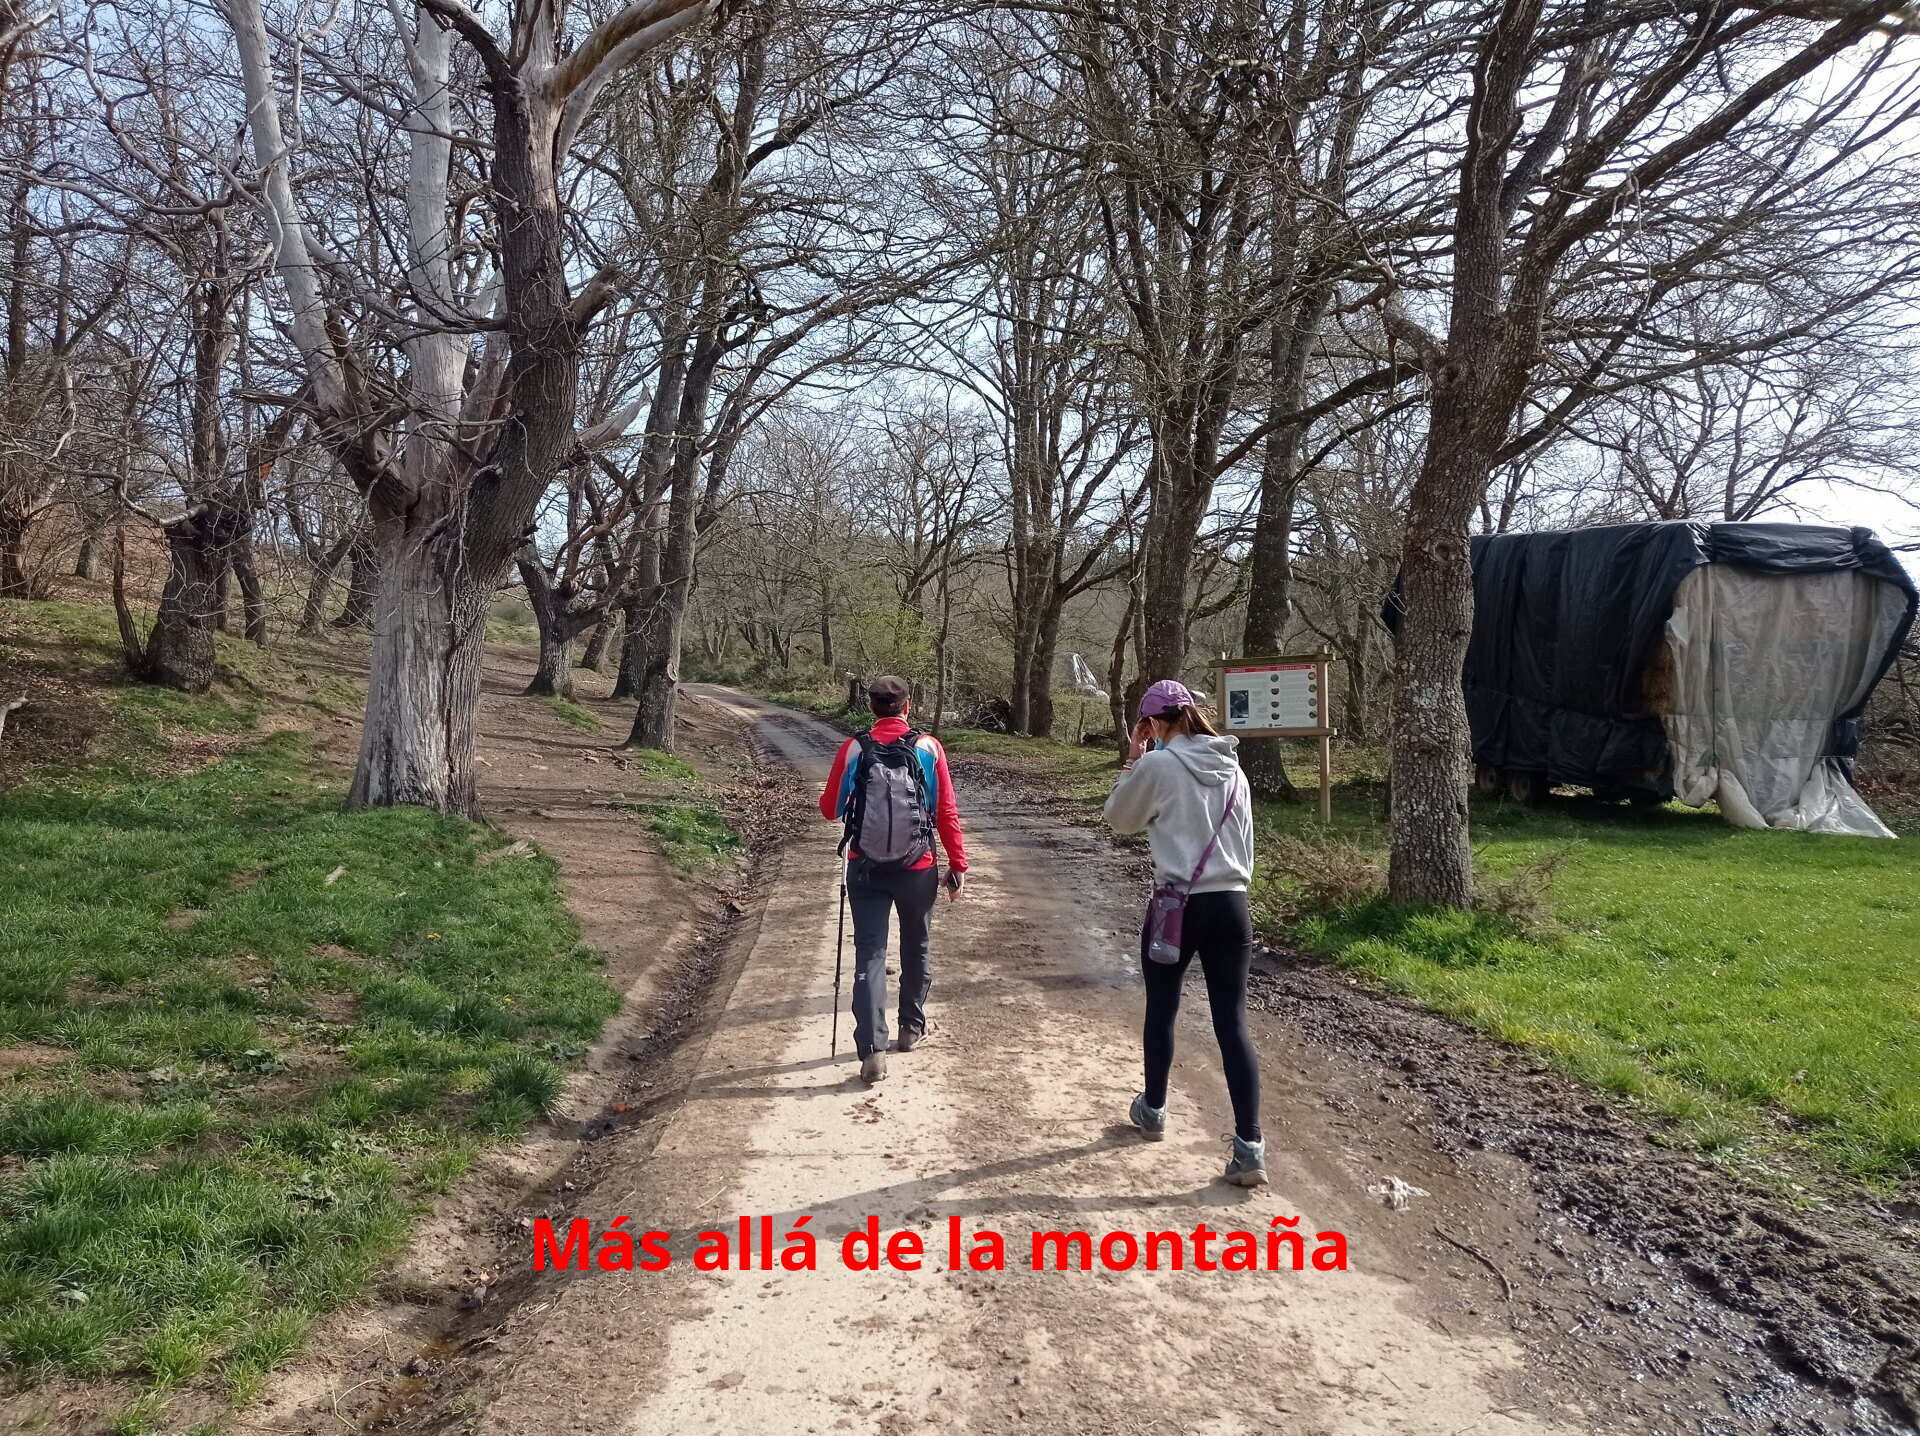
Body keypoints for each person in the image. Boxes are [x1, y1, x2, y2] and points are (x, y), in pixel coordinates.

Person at [1103, 678, 1266, 1186]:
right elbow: (1246, 842)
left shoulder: (1158, 765)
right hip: (1232, 904)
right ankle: (1250, 1147)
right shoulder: (1233, 768)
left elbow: (1119, 818)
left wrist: (1133, 760)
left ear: (1153, 724)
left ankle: (1153, 1109)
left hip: (1177, 905)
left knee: (1163, 1008)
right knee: (1232, 1023)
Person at [820, 676, 968, 1084]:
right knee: (916, 945)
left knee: (870, 954)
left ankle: (872, 1051)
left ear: (871, 707)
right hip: (917, 866)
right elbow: (946, 811)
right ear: (907, 706)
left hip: (864, 867)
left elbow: (830, 810)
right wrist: (958, 864)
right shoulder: (929, 747)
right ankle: (910, 1029)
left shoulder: (854, 748)